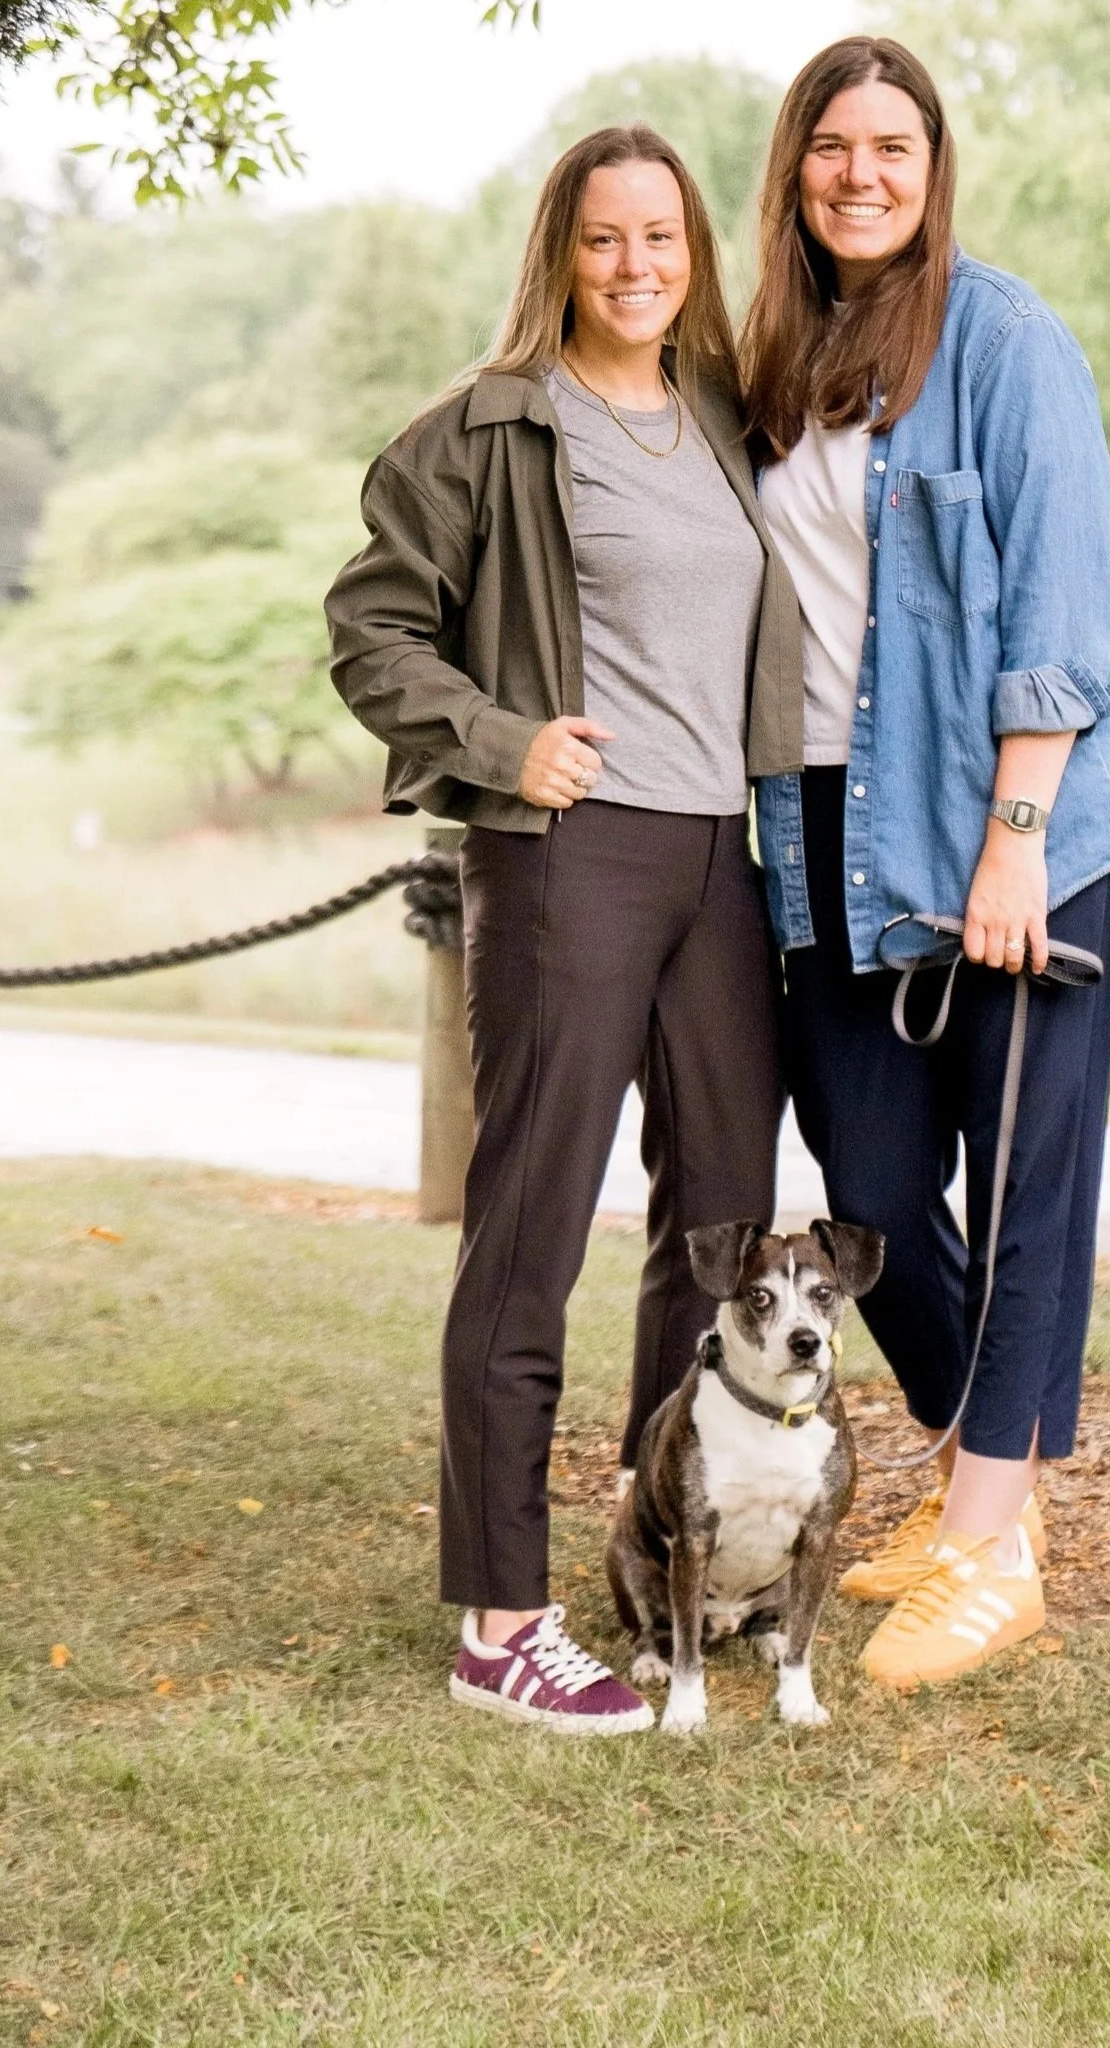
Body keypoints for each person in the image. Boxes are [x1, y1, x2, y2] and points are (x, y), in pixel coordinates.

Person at [326, 124, 803, 1734]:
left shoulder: (727, 415)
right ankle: (499, 1621)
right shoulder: (483, 432)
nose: (634, 267)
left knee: (722, 1222)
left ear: (693, 255)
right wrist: (498, 736)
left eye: (659, 239)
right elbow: (370, 629)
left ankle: (662, 1551)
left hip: (717, 862)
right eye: (604, 240)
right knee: (531, 1223)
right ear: (559, 253)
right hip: (565, 857)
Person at [741, 36, 1110, 1692]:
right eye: (832, 147)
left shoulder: (1001, 338)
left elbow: (1061, 619)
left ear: (933, 166)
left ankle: (993, 1542)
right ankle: (978, 1479)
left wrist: (1016, 843)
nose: (861, 174)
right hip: (843, 839)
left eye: (892, 146)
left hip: (1018, 833)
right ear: (794, 168)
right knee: (867, 1186)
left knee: (1025, 1185)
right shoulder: (780, 357)